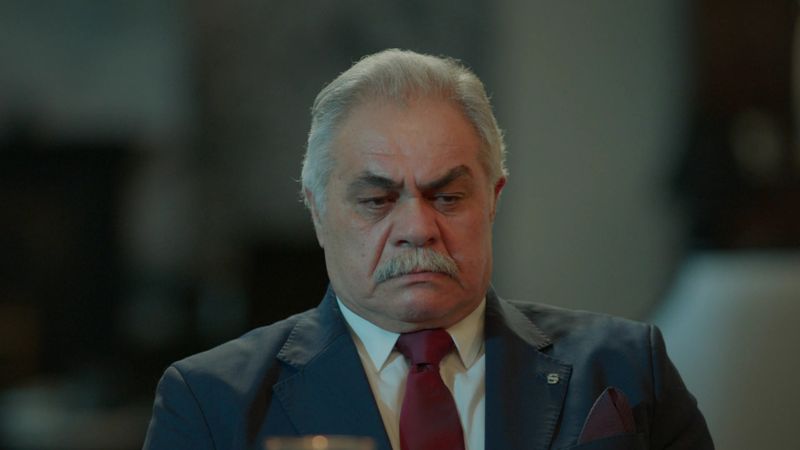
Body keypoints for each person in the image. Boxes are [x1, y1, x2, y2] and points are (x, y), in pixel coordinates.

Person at [143, 49, 713, 450]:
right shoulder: (211, 401)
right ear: (317, 212)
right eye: (376, 201)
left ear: (492, 200)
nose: (417, 228)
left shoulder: (625, 365)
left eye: (448, 197)